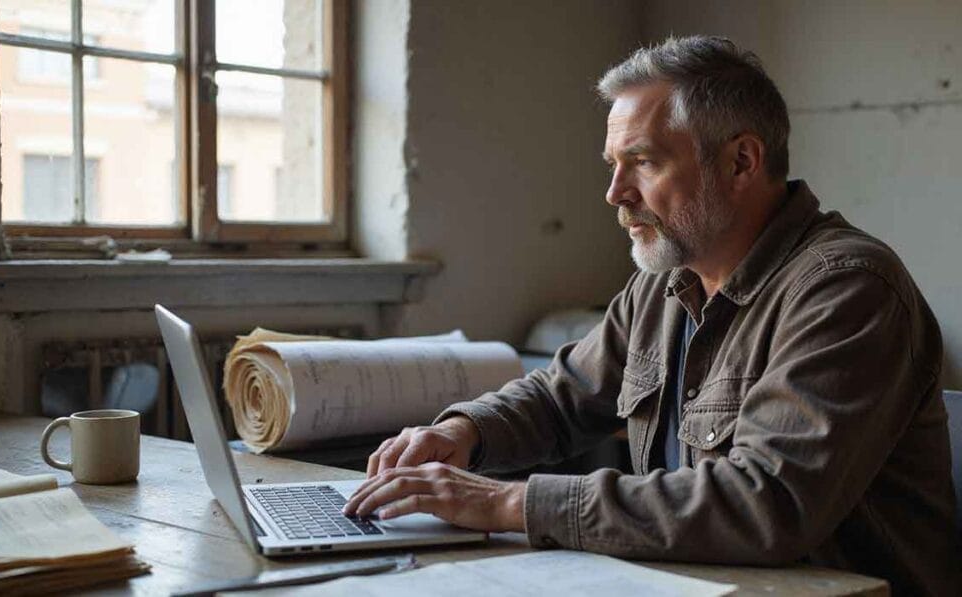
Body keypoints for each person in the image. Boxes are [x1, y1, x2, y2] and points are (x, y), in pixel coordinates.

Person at [342, 36, 959, 595]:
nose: (615, 193)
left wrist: (510, 503)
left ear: (741, 162)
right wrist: (463, 434)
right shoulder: (663, 284)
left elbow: (763, 504)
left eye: (643, 162)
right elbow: (564, 398)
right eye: (612, 165)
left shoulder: (848, 290)